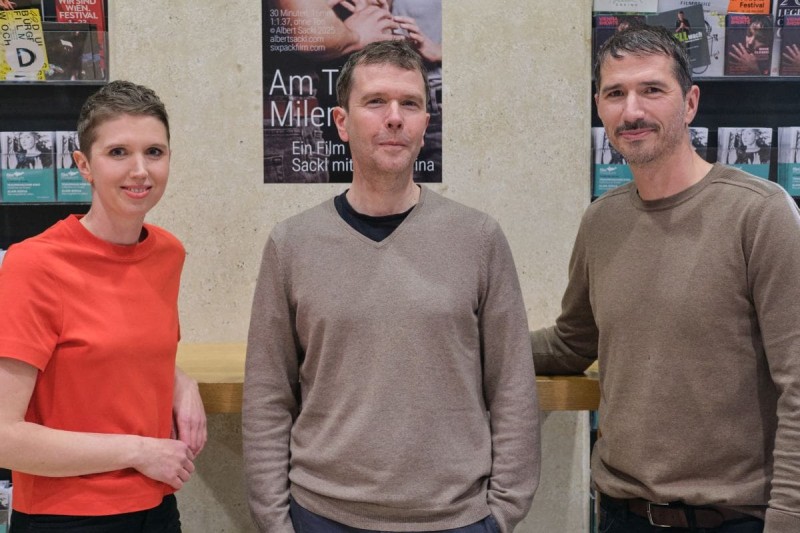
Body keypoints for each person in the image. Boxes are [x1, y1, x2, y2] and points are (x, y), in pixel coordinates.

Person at [244, 39, 540, 533]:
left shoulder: (478, 237)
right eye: (376, 101)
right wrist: (277, 522)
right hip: (323, 515)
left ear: (426, 122)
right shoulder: (292, 243)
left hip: (455, 518)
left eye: (410, 104)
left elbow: (512, 385)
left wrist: (502, 514)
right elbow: (269, 395)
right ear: (341, 122)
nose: (394, 117)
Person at [531, 25, 800, 532]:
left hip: (733, 519)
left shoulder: (761, 215)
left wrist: (788, 520)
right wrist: (466, 338)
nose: (632, 111)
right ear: (600, 107)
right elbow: (572, 343)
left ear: (690, 102)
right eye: (616, 94)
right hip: (619, 514)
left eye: (652, 90)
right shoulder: (601, 220)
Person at [0, 80, 207, 532]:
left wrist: (181, 382)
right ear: (83, 166)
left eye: (154, 152)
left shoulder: (167, 253)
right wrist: (137, 450)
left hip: (156, 507)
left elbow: (115, 351)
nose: (140, 171)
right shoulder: (34, 264)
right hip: (66, 516)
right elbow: (3, 437)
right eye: (118, 153)